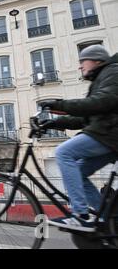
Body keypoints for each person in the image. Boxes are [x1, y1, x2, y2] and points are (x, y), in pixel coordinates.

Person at [39, 45, 118, 232]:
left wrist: (61, 105)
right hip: (107, 135)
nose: (80, 66)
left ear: (96, 61)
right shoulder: (101, 79)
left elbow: (101, 102)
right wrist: (54, 123)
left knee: (63, 152)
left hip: (110, 134)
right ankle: (106, 219)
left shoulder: (112, 73)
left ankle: (80, 214)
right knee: (80, 172)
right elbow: (85, 118)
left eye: (83, 61)